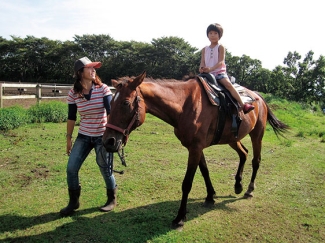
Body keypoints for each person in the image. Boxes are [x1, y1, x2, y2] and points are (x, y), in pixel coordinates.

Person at [60, 57, 117, 216]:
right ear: (80, 72)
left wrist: (110, 136)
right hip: (84, 136)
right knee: (71, 168)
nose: (93, 71)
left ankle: (111, 199)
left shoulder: (103, 89)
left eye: (94, 69)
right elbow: (72, 117)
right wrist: (69, 138)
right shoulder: (74, 93)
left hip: (101, 136)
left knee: (105, 168)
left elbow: (110, 112)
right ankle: (74, 202)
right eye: (90, 68)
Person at [199, 23, 254, 114]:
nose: (212, 35)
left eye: (215, 33)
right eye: (210, 33)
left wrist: (211, 68)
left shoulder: (220, 47)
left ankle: (243, 104)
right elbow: (202, 61)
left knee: (228, 85)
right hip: (207, 74)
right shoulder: (204, 49)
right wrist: (201, 68)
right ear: (207, 34)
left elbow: (221, 61)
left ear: (220, 35)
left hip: (219, 73)